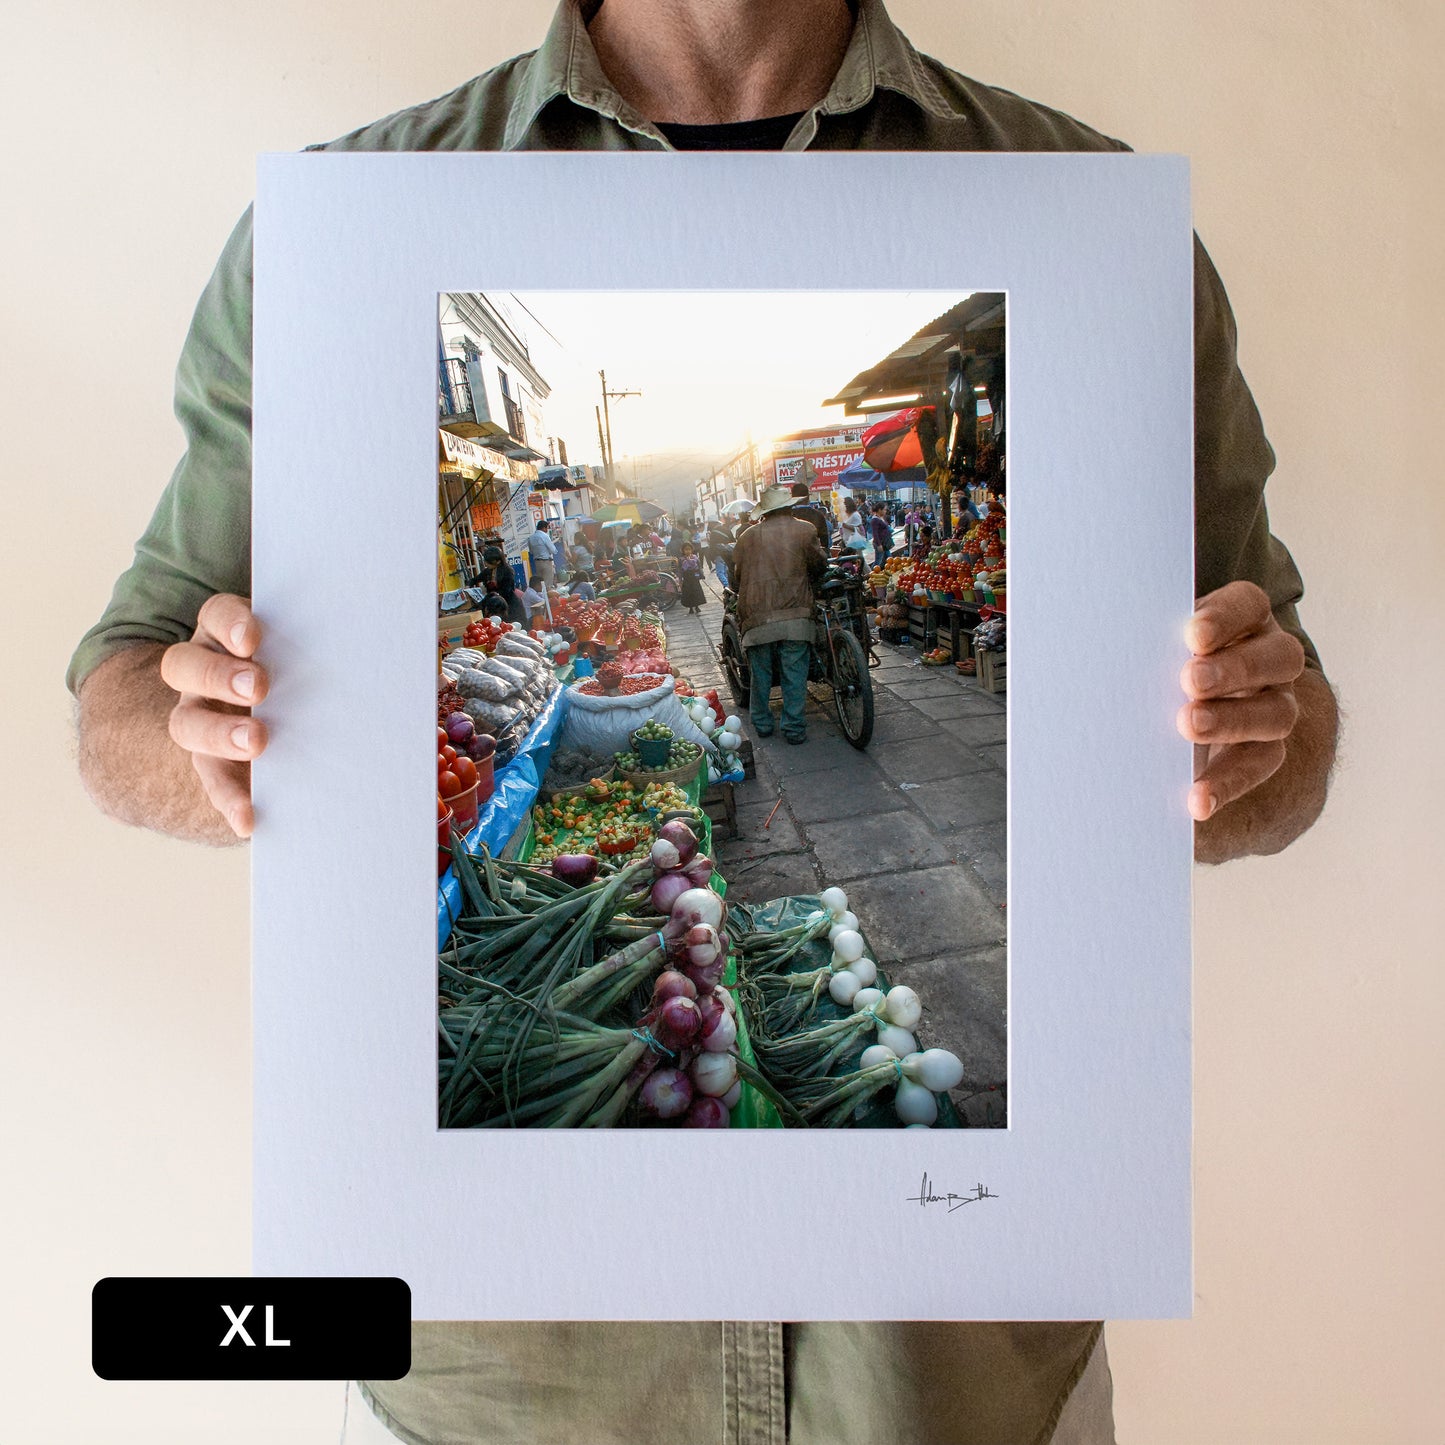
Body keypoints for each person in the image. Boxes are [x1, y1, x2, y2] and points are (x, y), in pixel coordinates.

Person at [66, 1, 1339, 1440]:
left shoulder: (1097, 232)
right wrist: (198, 740)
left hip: (957, 1377)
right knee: (785, 690)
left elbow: (1285, 762)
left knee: (784, 686)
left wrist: (1249, 740)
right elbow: (118, 693)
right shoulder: (342, 232)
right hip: (501, 1389)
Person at [731, 485, 828, 744]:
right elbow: (820, 565)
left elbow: (737, 576)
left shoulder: (746, 536)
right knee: (794, 674)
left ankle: (762, 724)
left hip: (756, 615)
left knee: (760, 674)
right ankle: (794, 729)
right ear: (789, 506)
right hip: (796, 613)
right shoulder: (805, 529)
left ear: (765, 511)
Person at [479, 544, 528, 629]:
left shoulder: (508, 571)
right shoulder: (488, 571)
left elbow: (507, 591)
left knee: (515, 629)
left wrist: (493, 596)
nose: (486, 564)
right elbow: (476, 579)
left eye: (488, 562)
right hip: (496, 605)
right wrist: (469, 584)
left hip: (509, 606)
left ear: (498, 561)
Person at [789, 479, 832, 550]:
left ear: (792, 497)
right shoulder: (818, 515)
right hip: (814, 557)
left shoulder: (787, 515)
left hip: (793, 558)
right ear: (808, 497)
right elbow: (824, 542)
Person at [677, 540, 707, 614]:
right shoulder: (681, 559)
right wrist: (680, 579)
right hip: (687, 578)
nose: (688, 551)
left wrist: (701, 574)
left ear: (692, 550)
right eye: (686, 549)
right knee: (688, 593)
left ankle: (697, 606)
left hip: (695, 577)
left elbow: (699, 567)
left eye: (689, 549)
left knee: (696, 591)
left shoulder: (695, 558)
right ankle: (691, 608)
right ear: (683, 550)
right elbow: (680, 570)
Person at [527, 519, 557, 588]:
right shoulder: (545, 536)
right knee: (547, 585)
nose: (547, 530)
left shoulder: (531, 538)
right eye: (547, 528)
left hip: (537, 563)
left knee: (540, 585)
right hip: (546, 562)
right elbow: (553, 550)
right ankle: (547, 598)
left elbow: (531, 551)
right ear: (544, 528)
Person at [868, 501, 894, 570]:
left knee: (889, 558)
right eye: (884, 509)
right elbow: (875, 533)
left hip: (884, 543)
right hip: (880, 543)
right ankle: (871, 573)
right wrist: (879, 545)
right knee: (878, 561)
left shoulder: (881, 518)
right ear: (880, 510)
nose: (885, 511)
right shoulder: (875, 520)